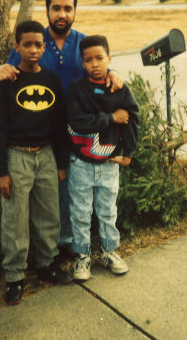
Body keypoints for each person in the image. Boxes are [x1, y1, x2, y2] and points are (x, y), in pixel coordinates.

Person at [0, 0, 124, 261]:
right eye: (56, 8)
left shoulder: (83, 42)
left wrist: (113, 74)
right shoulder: (34, 41)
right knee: (52, 189)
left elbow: (98, 65)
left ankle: (72, 241)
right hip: (44, 129)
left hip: (81, 129)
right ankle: (54, 245)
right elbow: (8, 73)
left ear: (75, 11)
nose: (62, 14)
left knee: (72, 187)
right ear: (47, 10)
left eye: (68, 8)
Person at [0, 20, 72, 305]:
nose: (33, 50)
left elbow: (59, 124)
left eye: (39, 44)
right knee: (15, 221)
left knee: (49, 214)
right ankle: (14, 277)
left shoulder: (51, 81)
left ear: (44, 46)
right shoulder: (7, 82)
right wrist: (2, 170)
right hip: (17, 156)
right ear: (17, 47)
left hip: (46, 154)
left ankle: (47, 265)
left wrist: (61, 163)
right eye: (27, 44)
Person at [66, 35, 139, 281]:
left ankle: (109, 251)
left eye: (99, 58)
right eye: (88, 60)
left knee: (108, 210)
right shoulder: (77, 90)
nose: (94, 64)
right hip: (81, 163)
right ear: (82, 63)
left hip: (109, 163)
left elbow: (132, 120)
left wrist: (127, 152)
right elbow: (78, 121)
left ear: (109, 58)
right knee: (80, 212)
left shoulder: (119, 89)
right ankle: (82, 256)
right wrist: (109, 118)